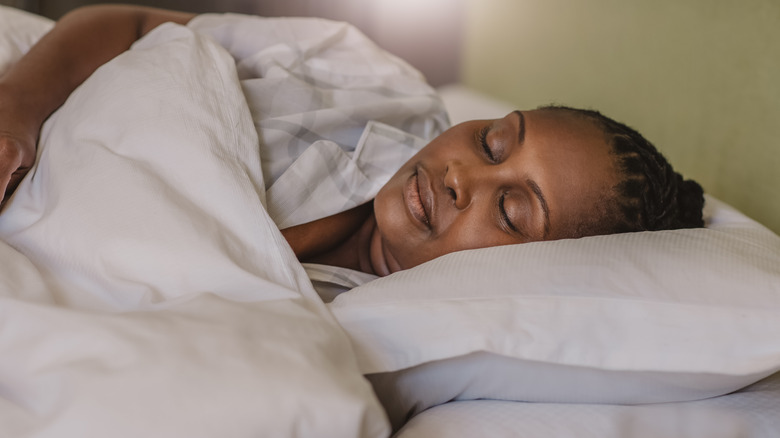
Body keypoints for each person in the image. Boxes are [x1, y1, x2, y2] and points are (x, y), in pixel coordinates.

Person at [0, 5, 704, 281]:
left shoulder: (374, 333)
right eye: (493, 143)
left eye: (514, 212)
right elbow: (127, 25)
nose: (463, 176)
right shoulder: (374, 80)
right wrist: (15, 113)